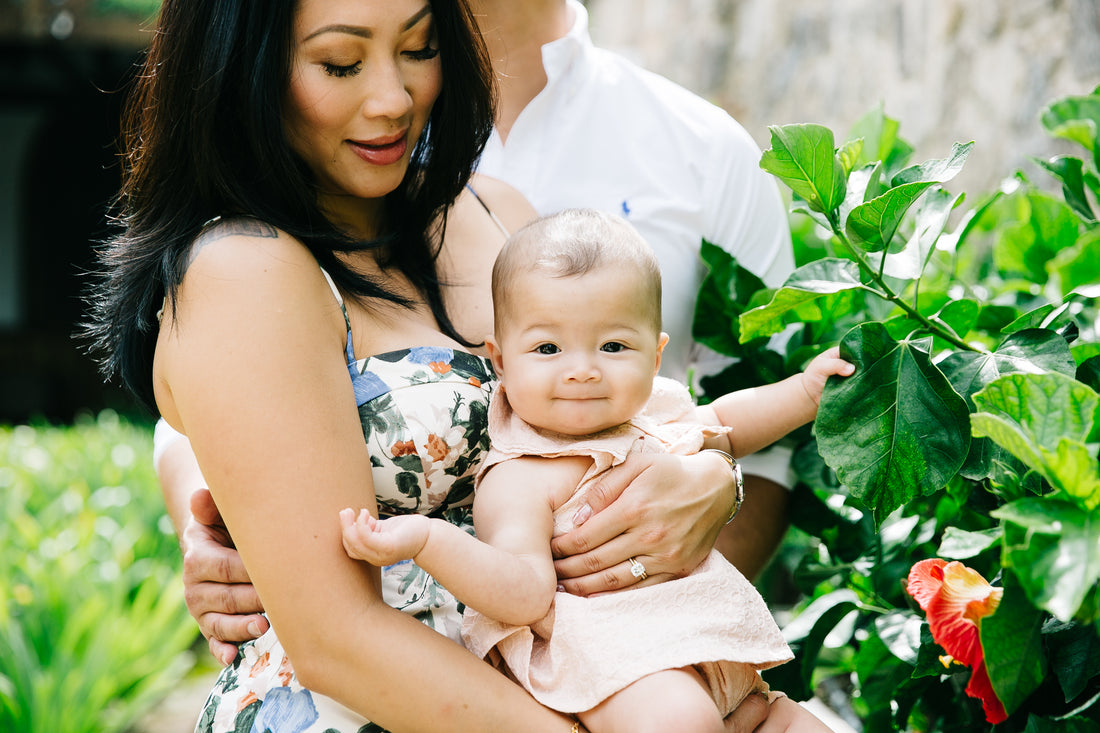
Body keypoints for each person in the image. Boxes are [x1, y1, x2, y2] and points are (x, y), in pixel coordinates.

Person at [86, 0, 772, 730]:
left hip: (589, 682)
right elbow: (337, 638)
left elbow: (617, 423)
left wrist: (708, 475)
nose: (393, 98)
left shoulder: (496, 212)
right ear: (243, 70)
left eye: (418, 48)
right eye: (340, 64)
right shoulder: (240, 271)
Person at [340, 209, 847, 733]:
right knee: (682, 721)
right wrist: (428, 540)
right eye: (547, 348)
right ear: (500, 362)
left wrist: (805, 393)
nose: (582, 369)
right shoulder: (520, 475)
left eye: (612, 346)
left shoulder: (653, 416)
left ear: (655, 357)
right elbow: (522, 594)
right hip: (619, 668)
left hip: (710, 650)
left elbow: (727, 423)